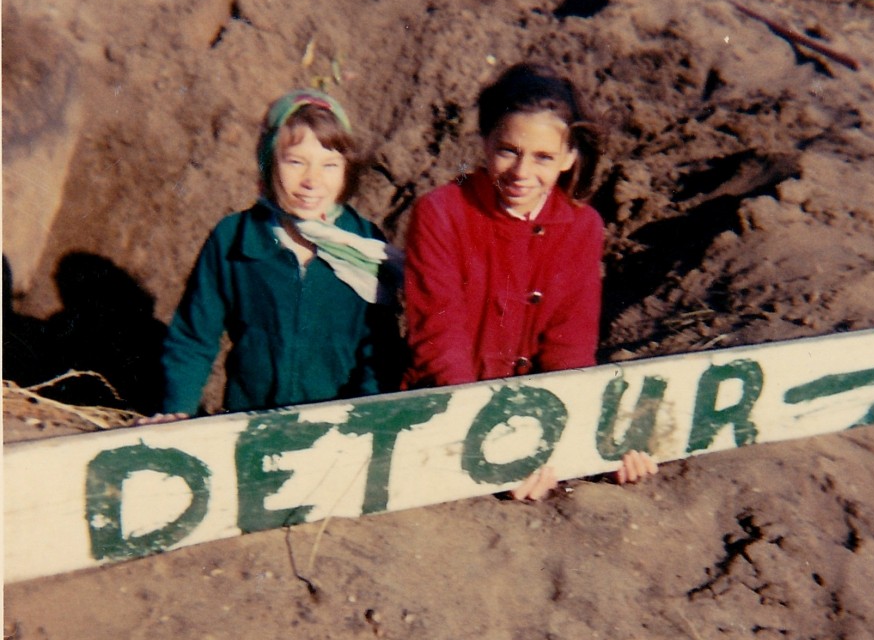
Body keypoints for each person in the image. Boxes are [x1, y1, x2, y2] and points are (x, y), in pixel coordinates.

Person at [403, 62, 657, 499]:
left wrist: (589, 447)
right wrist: (491, 444)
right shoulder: (441, 212)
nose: (522, 173)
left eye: (543, 157)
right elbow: (440, 340)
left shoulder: (582, 226)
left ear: (569, 158)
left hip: (537, 415)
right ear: (484, 143)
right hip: (447, 411)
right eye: (508, 150)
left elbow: (570, 347)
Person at [146, 89, 402, 422]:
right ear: (269, 161)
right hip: (252, 423)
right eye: (295, 162)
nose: (312, 181)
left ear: (345, 171)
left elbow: (379, 349)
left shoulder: (364, 245)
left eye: (329, 165)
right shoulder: (235, 239)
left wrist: (367, 419)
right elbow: (195, 337)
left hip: (338, 429)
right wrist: (176, 411)